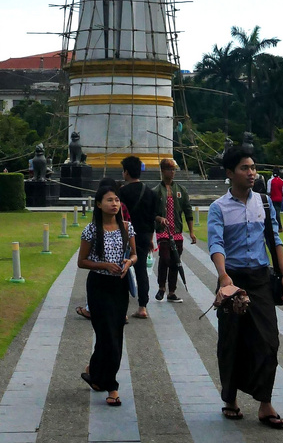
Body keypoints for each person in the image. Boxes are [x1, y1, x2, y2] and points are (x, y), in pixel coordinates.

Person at [208, 143, 283, 428]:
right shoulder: (218, 208)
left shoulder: (264, 203)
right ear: (230, 173)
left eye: (253, 167)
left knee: (269, 340)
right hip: (231, 279)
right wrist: (223, 276)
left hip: (258, 279)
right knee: (231, 341)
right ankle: (230, 398)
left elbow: (275, 239)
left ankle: (264, 403)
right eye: (245, 168)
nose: (252, 173)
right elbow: (216, 243)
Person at [77, 183, 137, 407]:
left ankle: (94, 369)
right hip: (99, 286)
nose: (114, 204)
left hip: (119, 287)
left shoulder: (127, 227)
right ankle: (112, 388)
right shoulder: (91, 230)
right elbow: (81, 262)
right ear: (99, 204)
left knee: (115, 334)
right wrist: (103, 264)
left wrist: (129, 261)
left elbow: (134, 254)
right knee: (106, 335)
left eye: (117, 200)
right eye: (110, 200)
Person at [152, 158, 196, 303]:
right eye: (170, 169)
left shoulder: (181, 190)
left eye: (174, 169)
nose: (172, 172)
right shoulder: (156, 191)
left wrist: (191, 232)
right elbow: (150, 213)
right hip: (163, 231)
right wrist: (159, 219)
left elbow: (188, 211)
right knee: (165, 258)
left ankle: (172, 291)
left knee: (175, 262)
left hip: (176, 231)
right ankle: (161, 287)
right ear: (163, 171)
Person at [119, 155, 157, 319]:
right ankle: (143, 307)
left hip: (125, 237)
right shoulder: (150, 193)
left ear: (126, 172)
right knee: (141, 271)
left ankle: (123, 309)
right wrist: (150, 238)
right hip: (143, 236)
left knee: (121, 271)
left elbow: (119, 216)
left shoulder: (121, 192)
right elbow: (152, 219)